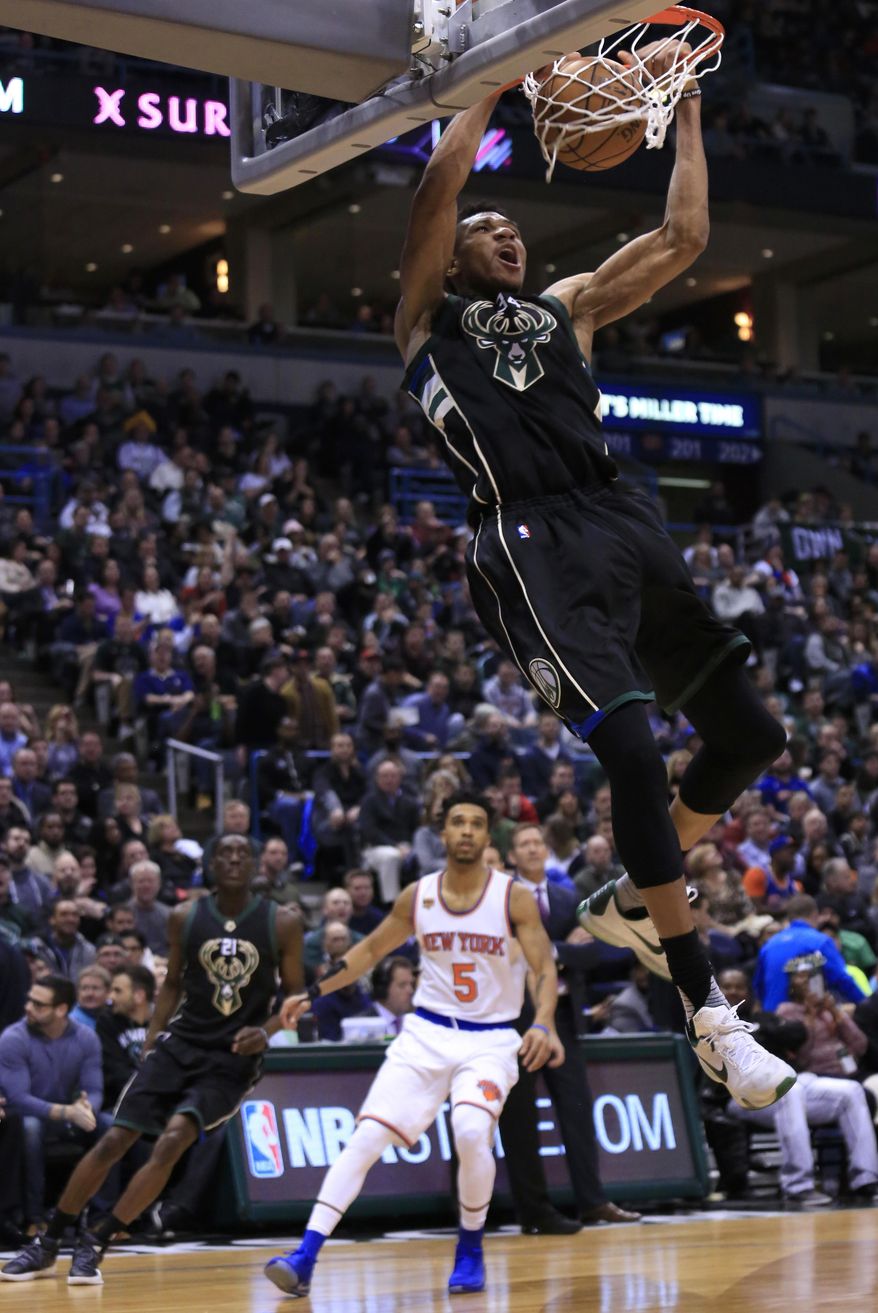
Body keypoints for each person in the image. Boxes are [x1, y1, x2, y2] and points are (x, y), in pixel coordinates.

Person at [391, 58, 792, 1111]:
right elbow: (435, 188)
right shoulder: (424, 321)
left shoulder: (564, 309)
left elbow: (682, 241)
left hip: (620, 518)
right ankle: (708, 1012)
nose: (504, 235)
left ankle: (626, 899)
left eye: (514, 226)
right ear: (456, 251)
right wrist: (485, 84)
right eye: (487, 227)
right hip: (527, 540)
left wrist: (687, 109)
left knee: (750, 733)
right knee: (627, 743)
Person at [264, 788, 561, 1297]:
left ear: (488, 836)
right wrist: (313, 992)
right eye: (457, 822)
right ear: (442, 833)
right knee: (364, 1139)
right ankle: (305, 1255)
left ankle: (470, 1246)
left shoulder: (512, 897)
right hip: (425, 1033)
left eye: (475, 824)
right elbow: (369, 951)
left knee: (470, 1131)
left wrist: (545, 1022)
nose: (466, 831)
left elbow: (543, 967)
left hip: (490, 1039)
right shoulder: (417, 895)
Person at [1, 835, 303, 1285]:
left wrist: (266, 1032)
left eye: (244, 852)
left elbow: (295, 995)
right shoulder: (186, 916)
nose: (236, 859)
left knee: (173, 1138)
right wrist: (152, 1038)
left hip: (232, 1059)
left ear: (255, 863)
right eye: (226, 852)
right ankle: (49, 1243)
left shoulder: (282, 922)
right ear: (211, 864)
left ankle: (97, 1240)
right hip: (179, 1045)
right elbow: (173, 986)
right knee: (114, 1139)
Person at [499, 823, 640, 1230]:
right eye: (523, 844)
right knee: (521, 1117)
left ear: (546, 851)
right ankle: (535, 1209)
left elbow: (594, 953)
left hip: (564, 1014)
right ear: (513, 855)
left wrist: (549, 952)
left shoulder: (567, 897)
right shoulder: (502, 899)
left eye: (537, 843)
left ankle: (592, 1201)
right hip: (518, 1018)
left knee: (577, 1113)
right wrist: (562, 950)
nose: (531, 849)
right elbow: (512, 954)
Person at [0, 974, 104, 1230]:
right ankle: (34, 1217)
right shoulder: (13, 1038)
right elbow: (18, 1098)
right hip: (27, 1115)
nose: (28, 1008)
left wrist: (87, 1108)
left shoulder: (86, 1037)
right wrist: (67, 1112)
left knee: (110, 1126)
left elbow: (95, 1089)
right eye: (29, 1001)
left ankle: (102, 1217)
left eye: (38, 1004)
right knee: (30, 1127)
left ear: (61, 1010)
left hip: (65, 1115)